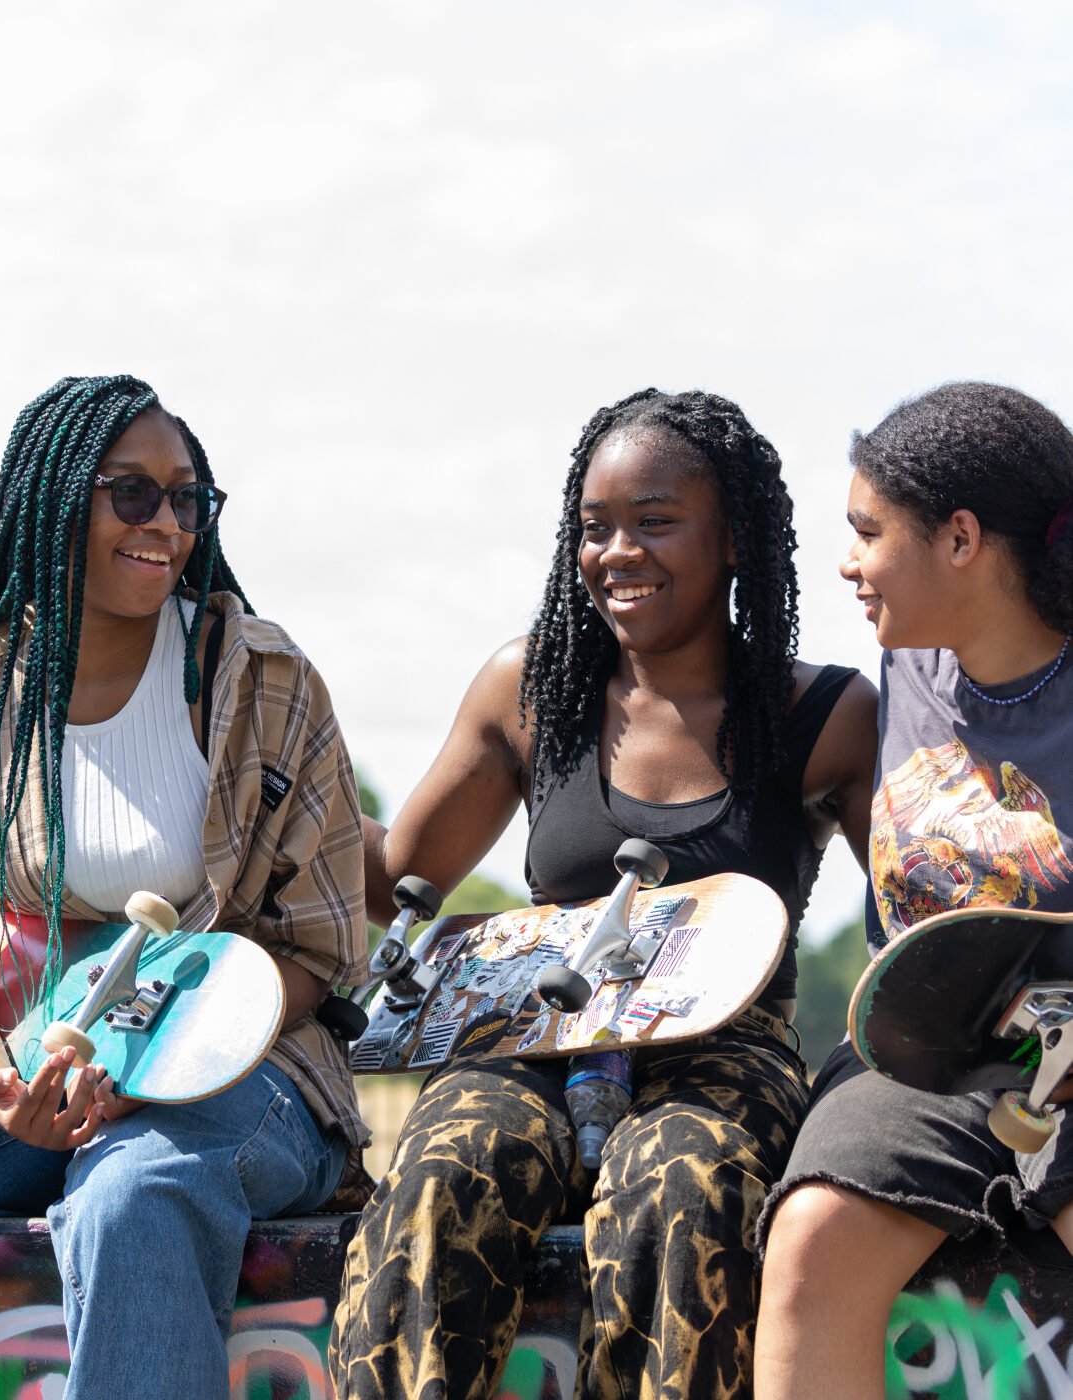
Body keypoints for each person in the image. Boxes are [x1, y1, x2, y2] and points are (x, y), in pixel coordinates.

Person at [329, 387, 877, 1400]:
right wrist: (275, 756)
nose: (616, 550)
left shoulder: (825, 714)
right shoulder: (528, 689)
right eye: (594, 527)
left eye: (655, 520)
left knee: (682, 1179)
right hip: (533, 1040)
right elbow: (394, 866)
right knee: (444, 1166)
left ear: (737, 537)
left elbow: (919, 904)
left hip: (727, 1053)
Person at [0, 374, 368, 1399]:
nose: (167, 523)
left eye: (188, 498)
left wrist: (162, 1047)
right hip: (39, 1064)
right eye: (133, 494)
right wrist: (0, 1082)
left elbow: (321, 949)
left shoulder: (266, 683)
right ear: (59, 499)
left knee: (132, 1192)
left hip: (248, 1064)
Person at [754, 381, 1073, 1400]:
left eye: (867, 531)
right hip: (923, 1051)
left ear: (963, 539)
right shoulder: (910, 666)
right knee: (812, 1234)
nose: (846, 561)